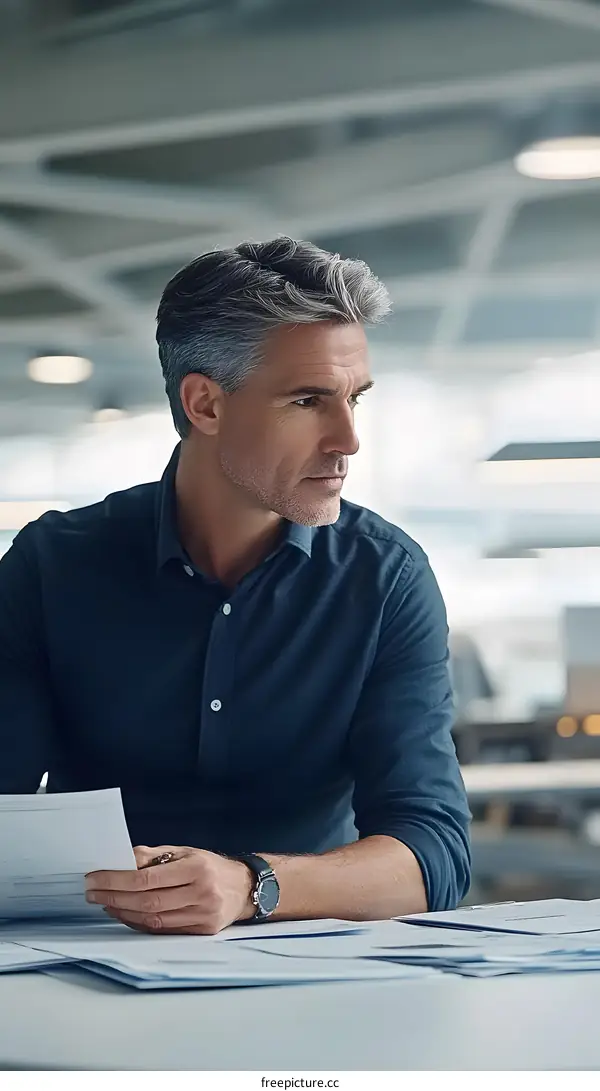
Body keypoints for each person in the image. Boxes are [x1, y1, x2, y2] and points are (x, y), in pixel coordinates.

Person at [0, 237, 471, 935]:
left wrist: (255, 884)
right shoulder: (52, 566)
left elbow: (436, 853)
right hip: (90, 962)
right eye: (309, 400)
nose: (347, 438)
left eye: (354, 399)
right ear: (205, 404)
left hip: (315, 972)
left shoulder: (386, 579)